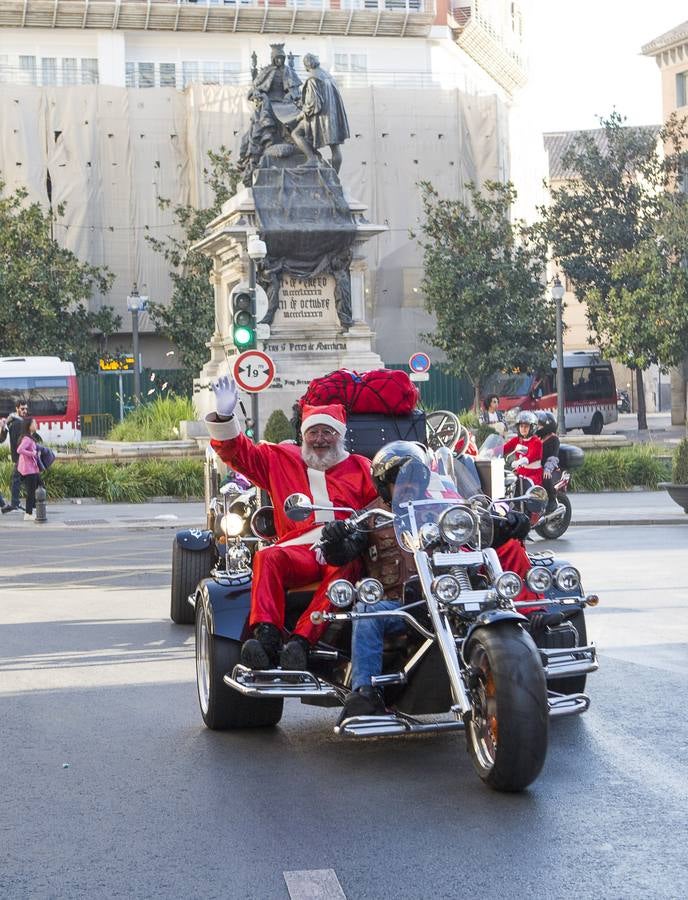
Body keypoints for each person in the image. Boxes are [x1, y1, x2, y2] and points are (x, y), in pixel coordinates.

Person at [319, 441, 537, 722]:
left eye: (414, 479)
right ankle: (365, 692)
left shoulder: (444, 511)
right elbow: (340, 554)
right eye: (399, 481)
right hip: (400, 607)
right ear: (384, 485)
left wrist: (510, 526)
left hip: (451, 597)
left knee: (497, 604)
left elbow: (482, 535)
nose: (407, 486)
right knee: (366, 612)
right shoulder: (369, 518)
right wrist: (335, 537)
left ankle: (526, 666)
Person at [205, 376, 378, 670]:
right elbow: (238, 454)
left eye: (328, 432)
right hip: (298, 549)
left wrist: (354, 537)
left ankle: (301, 642)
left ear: (341, 435)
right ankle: (267, 638)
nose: (320, 439)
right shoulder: (280, 458)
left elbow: (377, 511)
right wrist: (224, 417)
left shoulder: (362, 466)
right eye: (313, 432)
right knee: (266, 556)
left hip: (342, 550)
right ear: (303, 435)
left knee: (347, 567)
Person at [291, 53, 350, 173]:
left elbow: (313, 105)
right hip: (334, 117)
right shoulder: (328, 76)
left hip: (321, 119)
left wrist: (299, 116)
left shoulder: (313, 78)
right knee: (335, 148)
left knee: (296, 134)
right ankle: (335, 177)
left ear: (307, 65)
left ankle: (312, 159)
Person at [0, 399, 29, 511]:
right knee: (21, 479)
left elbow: (2, 439)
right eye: (22, 409)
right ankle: (14, 504)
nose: (25, 411)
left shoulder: (12, 421)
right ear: (17, 408)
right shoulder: (17, 423)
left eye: (26, 408)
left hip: (20, 456)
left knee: (20, 479)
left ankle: (12, 504)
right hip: (21, 456)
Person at [502, 410, 543, 485]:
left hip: (533, 474)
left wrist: (519, 462)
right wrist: (490, 451)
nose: (523, 429)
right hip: (520, 473)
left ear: (532, 428)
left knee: (526, 485)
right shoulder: (517, 440)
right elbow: (504, 448)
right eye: (521, 426)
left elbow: (531, 456)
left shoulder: (536, 442)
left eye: (526, 426)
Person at [536, 412, 560, 514]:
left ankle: (552, 500)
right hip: (538, 467)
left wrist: (547, 469)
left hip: (551, 469)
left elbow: (553, 457)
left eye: (539, 425)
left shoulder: (553, 439)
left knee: (546, 477)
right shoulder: (537, 439)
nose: (537, 427)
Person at [16, 417, 40, 521]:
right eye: (34, 423)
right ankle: (28, 513)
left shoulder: (30, 437)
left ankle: (33, 509)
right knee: (31, 491)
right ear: (29, 426)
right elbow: (19, 450)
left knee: (39, 486)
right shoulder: (26, 439)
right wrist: (32, 453)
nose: (36, 424)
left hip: (32, 469)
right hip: (28, 469)